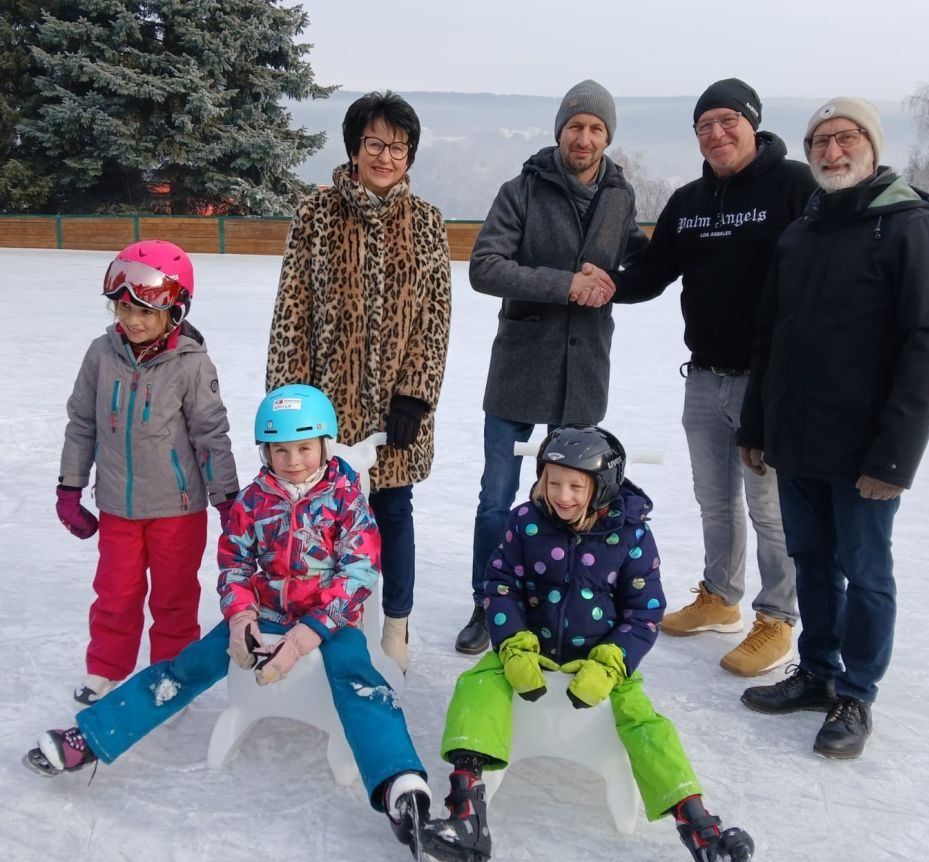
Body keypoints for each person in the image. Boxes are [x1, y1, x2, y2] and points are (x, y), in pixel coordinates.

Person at [24, 385, 433, 858]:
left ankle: (399, 786)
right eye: (280, 450)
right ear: (265, 451)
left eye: (304, 448)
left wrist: (308, 635)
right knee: (186, 668)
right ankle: (92, 736)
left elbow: (360, 571)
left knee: (362, 683)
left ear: (325, 443)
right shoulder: (255, 500)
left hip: (330, 622)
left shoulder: (345, 498)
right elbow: (236, 565)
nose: (294, 460)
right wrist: (240, 619)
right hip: (266, 614)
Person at [422, 426, 753, 862]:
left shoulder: (631, 535)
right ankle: (465, 810)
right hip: (528, 650)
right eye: (554, 482)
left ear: (603, 485)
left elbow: (644, 612)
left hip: (601, 660)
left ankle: (702, 829)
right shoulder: (524, 523)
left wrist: (612, 660)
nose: (563, 495)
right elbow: (500, 587)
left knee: (645, 723)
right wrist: (512, 643)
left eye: (576, 486)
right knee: (477, 686)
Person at [737, 98, 929, 759]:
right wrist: (756, 425)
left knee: (865, 569)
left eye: (844, 138)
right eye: (818, 142)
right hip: (799, 439)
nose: (831, 151)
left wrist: (895, 458)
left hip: (866, 449)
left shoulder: (910, 227)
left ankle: (856, 692)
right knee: (812, 561)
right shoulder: (802, 232)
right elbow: (770, 336)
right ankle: (818, 671)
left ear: (872, 145)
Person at [587, 78, 817, 678]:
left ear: (753, 122)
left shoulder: (793, 185)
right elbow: (654, 271)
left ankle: (777, 617)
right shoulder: (689, 202)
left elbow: (827, 264)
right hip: (704, 377)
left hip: (768, 382)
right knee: (715, 500)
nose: (716, 134)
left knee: (767, 505)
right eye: (704, 126)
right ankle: (721, 597)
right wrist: (604, 280)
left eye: (726, 121)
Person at [456, 79, 649, 655]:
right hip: (520, 369)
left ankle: (555, 604)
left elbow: (636, 258)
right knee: (498, 495)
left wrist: (623, 282)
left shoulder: (620, 196)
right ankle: (489, 605)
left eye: (595, 128)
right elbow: (485, 266)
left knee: (575, 497)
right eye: (575, 126)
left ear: (607, 136)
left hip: (584, 372)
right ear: (559, 132)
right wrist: (568, 285)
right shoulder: (521, 190)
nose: (584, 138)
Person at [266, 90, 451, 674]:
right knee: (320, 521)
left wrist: (416, 393)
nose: (386, 156)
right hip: (326, 408)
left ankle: (395, 626)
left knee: (393, 514)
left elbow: (435, 316)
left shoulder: (426, 222)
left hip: (398, 410)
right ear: (354, 148)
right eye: (375, 143)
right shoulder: (316, 213)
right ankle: (318, 622)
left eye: (398, 146)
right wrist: (289, 401)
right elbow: (292, 309)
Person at [56, 240, 238, 707]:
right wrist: (70, 487)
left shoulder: (192, 365)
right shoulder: (101, 354)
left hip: (177, 509)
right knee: (114, 593)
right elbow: (82, 423)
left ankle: (170, 674)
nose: (131, 320)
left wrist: (228, 499)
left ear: (175, 312)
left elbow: (211, 435)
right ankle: (105, 669)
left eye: (145, 311)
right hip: (117, 505)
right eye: (122, 306)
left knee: (174, 598)